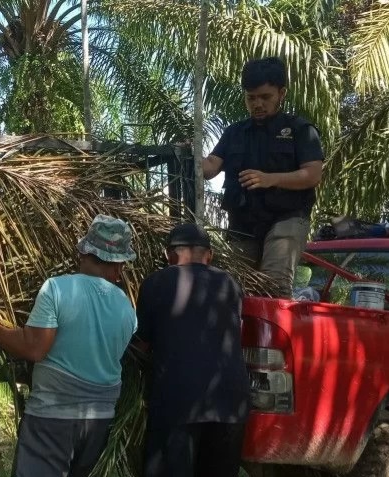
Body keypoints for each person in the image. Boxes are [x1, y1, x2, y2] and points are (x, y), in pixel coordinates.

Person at [0, 214, 137, 477]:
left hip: (53, 419)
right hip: (99, 422)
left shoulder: (58, 289)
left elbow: (34, 348)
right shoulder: (127, 308)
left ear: (83, 252)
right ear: (118, 267)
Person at [202, 56, 325, 298]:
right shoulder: (235, 132)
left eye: (265, 97)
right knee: (231, 289)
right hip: (243, 224)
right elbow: (210, 168)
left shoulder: (300, 130)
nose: (257, 103)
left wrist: (271, 179)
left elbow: (313, 174)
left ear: (282, 93)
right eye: (251, 98)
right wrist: (191, 154)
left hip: (286, 218)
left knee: (273, 285)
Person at [135, 223, 250, 477]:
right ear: (209, 256)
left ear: (169, 255)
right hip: (230, 402)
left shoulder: (156, 283)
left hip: (178, 400)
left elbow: (141, 344)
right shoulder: (231, 284)